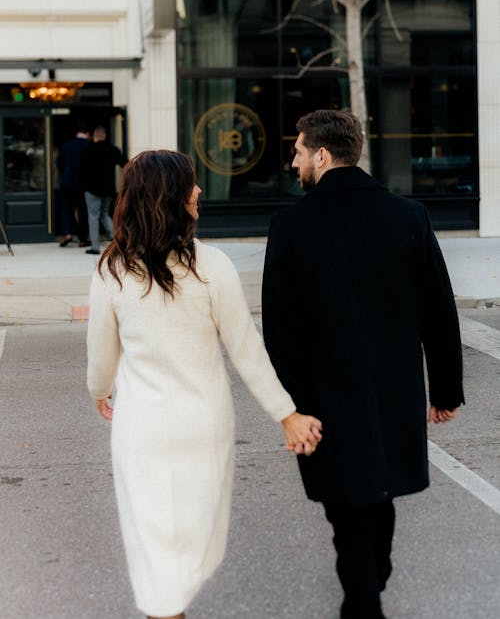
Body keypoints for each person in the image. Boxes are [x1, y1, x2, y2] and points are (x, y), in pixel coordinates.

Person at [86, 150, 322, 619]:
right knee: (194, 534)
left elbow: (101, 364)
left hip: (143, 428)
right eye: (190, 185)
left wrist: (100, 391)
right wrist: (286, 414)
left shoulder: (111, 270)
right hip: (203, 426)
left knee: (153, 537)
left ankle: (165, 609)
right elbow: (247, 351)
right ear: (171, 197)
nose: (197, 192)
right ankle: (171, 606)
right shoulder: (212, 266)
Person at [261, 109, 464, 619]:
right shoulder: (408, 214)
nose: (294, 161)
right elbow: (438, 310)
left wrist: (291, 408)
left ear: (322, 155)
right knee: (377, 489)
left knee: (346, 501)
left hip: (322, 394)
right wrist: (444, 390)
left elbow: (280, 330)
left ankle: (364, 597)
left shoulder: (291, 224)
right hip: (393, 389)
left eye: (299, 151)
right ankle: (372, 580)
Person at [79, 125, 127, 255]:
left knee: (93, 217)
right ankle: (119, 241)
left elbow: (81, 171)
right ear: (105, 136)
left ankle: (95, 247)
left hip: (91, 189)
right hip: (108, 188)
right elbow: (126, 164)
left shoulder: (87, 150)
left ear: (94, 136)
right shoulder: (113, 150)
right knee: (105, 214)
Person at [57, 124, 91, 247]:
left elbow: (59, 163)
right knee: (82, 210)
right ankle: (82, 238)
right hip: (82, 183)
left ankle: (67, 234)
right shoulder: (89, 145)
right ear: (87, 133)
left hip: (67, 181)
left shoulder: (66, 145)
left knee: (66, 208)